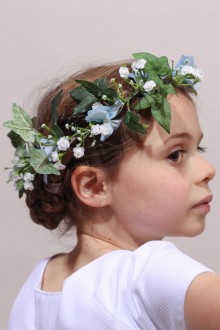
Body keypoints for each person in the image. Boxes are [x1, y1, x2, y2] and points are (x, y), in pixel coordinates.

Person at [4, 52, 220, 329]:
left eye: (198, 148)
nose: (208, 170)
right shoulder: (148, 273)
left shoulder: (39, 282)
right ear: (94, 186)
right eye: (176, 154)